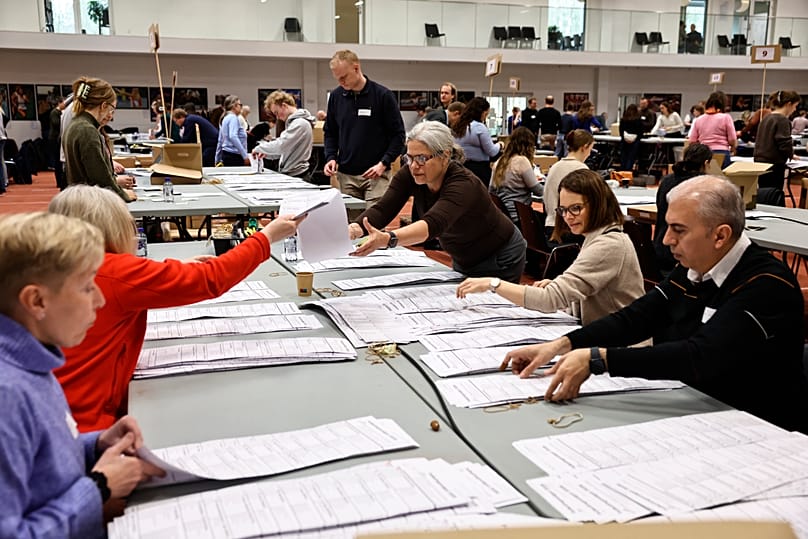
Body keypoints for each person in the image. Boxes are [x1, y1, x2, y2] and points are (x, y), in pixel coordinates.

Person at [501, 175, 808, 434]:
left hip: (758, 427)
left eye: (679, 229)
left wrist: (600, 360)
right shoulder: (695, 267)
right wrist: (561, 345)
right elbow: (639, 317)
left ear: (720, 236)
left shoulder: (766, 285)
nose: (665, 240)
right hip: (699, 407)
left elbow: (701, 355)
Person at [48, 185, 302, 432]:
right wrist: (266, 237)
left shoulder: (63, 270)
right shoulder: (114, 272)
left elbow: (130, 282)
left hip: (60, 406)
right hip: (86, 423)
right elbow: (212, 279)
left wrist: (172, 268)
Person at [0, 212, 164, 536]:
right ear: (36, 300)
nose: (100, 300)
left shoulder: (32, 359)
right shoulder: (8, 395)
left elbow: (40, 462)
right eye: (88, 287)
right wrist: (99, 487)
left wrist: (95, 445)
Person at [348, 121, 526, 283]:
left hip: (499, 255)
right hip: (464, 255)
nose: (414, 165)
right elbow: (383, 209)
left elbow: (433, 223)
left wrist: (389, 239)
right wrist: (355, 228)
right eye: (409, 158)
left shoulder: (463, 184)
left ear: (445, 156)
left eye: (422, 158)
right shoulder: (410, 174)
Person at [460, 169, 643, 325]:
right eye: (563, 210)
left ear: (598, 204)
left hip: (621, 346)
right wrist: (562, 288)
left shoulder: (608, 246)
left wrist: (493, 284)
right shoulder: (597, 237)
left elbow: (549, 299)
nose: (568, 217)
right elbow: (588, 294)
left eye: (576, 208)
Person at [324, 50, 406, 208]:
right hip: (346, 176)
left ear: (356, 68)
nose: (341, 82)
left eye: (344, 77)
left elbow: (398, 135)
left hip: (376, 175)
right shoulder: (336, 97)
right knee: (351, 222)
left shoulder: (383, 96)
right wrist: (331, 157)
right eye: (337, 78)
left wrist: (383, 163)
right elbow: (330, 133)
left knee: (374, 220)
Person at [63, 77, 136, 202]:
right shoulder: (87, 130)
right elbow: (100, 177)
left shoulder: (76, 124)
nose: (111, 116)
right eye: (112, 109)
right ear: (104, 105)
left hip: (81, 199)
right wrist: (122, 195)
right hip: (92, 202)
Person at [653, 143, 712, 272]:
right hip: (683, 257)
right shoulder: (704, 185)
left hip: (661, 250)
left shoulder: (667, 181)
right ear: (706, 163)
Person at [253, 90, 315, 178]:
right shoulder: (294, 123)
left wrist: (259, 148)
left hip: (297, 174)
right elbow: (286, 150)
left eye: (276, 112)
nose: (277, 117)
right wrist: (267, 153)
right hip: (293, 173)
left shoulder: (299, 123)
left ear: (284, 106)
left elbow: (282, 146)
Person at [489, 126, 543, 225]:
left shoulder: (499, 162)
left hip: (503, 215)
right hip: (521, 216)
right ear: (529, 145)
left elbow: (491, 190)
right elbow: (538, 190)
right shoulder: (522, 161)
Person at [543, 129, 593, 237]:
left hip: (550, 225)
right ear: (584, 147)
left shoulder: (555, 166)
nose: (590, 154)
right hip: (567, 229)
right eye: (590, 149)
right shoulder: (581, 169)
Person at [451, 96, 502, 186]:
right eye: (486, 114)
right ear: (482, 113)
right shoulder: (479, 127)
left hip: (460, 167)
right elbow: (492, 151)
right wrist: (500, 145)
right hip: (479, 171)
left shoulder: (458, 126)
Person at [755, 90, 801, 192]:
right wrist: (791, 154)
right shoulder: (782, 120)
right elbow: (784, 143)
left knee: (764, 192)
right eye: (795, 106)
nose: (795, 109)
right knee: (774, 193)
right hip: (774, 164)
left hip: (760, 162)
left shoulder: (766, 118)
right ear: (789, 104)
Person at [687, 91, 736, 168]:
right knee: (721, 175)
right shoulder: (726, 117)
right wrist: (733, 147)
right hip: (722, 152)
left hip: (704, 153)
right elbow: (732, 139)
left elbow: (692, 141)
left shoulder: (699, 119)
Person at [215, 94, 249, 166]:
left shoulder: (225, 118)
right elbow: (233, 136)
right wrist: (245, 156)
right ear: (234, 106)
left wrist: (217, 158)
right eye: (240, 105)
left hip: (226, 154)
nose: (241, 107)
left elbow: (220, 140)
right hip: (235, 156)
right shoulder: (233, 118)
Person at [619, 104, 644, 172]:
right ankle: (628, 171)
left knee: (623, 156)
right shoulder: (638, 120)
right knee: (631, 157)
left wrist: (623, 137)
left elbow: (621, 130)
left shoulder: (623, 119)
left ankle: (622, 171)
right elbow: (641, 132)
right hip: (634, 141)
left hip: (624, 140)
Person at [49, 96, 66, 188]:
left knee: (59, 161)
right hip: (54, 139)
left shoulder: (60, 112)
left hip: (58, 138)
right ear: (59, 103)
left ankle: (61, 180)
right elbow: (56, 123)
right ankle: (59, 181)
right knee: (57, 160)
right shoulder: (54, 112)